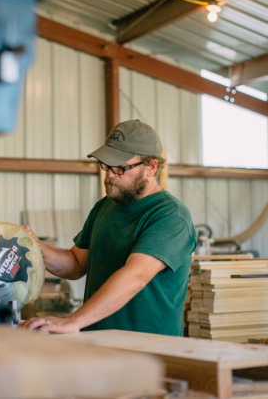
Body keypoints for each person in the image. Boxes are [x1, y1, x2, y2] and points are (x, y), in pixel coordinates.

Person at [20, 119, 196, 336]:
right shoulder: (105, 207)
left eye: (121, 168)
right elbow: (75, 264)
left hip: (149, 350)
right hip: (98, 343)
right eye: (106, 165)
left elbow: (136, 276)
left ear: (151, 167)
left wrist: (72, 321)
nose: (110, 175)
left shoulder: (170, 216)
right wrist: (34, 247)